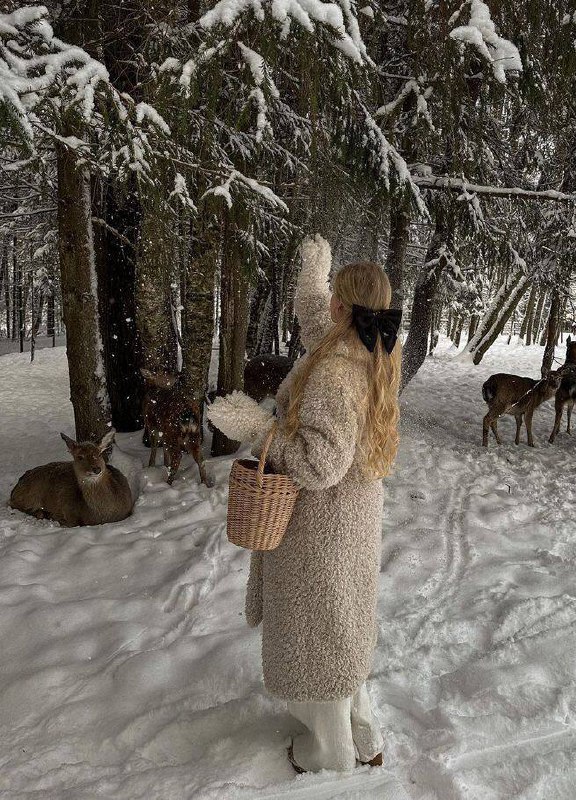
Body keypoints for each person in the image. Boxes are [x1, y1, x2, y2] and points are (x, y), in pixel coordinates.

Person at [207, 234, 402, 773]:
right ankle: (363, 736)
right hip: (350, 520)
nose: (326, 308)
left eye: (331, 296)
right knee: (341, 630)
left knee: (318, 637)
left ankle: (328, 752)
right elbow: (319, 320)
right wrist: (314, 277)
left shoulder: (337, 372)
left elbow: (321, 464)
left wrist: (256, 425)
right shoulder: (363, 344)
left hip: (323, 526)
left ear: (345, 307)